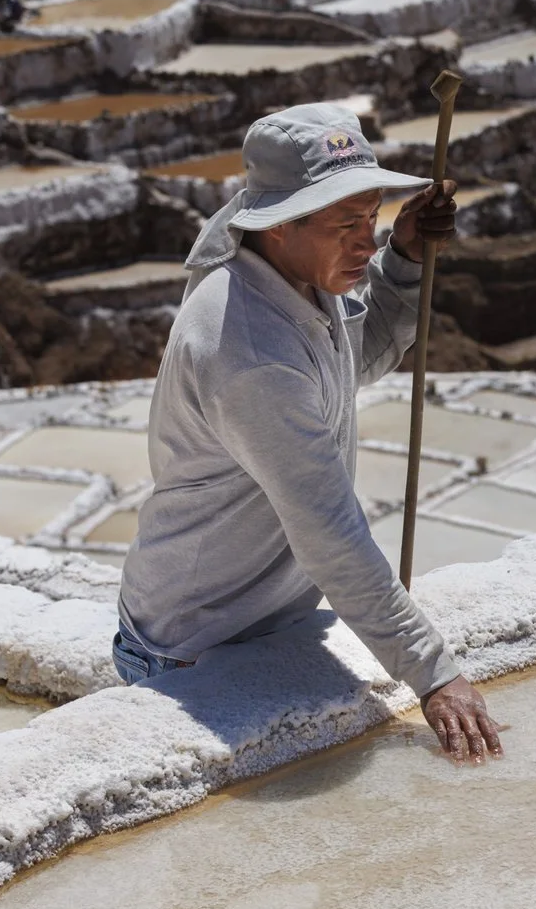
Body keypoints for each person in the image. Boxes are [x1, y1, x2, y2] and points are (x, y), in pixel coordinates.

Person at [113, 101, 506, 763]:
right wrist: (433, 673)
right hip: (194, 650)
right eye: (345, 223)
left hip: (263, 625)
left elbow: (360, 356)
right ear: (279, 227)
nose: (365, 241)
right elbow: (328, 530)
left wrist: (404, 257)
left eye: (372, 218)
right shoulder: (250, 350)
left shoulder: (298, 282)